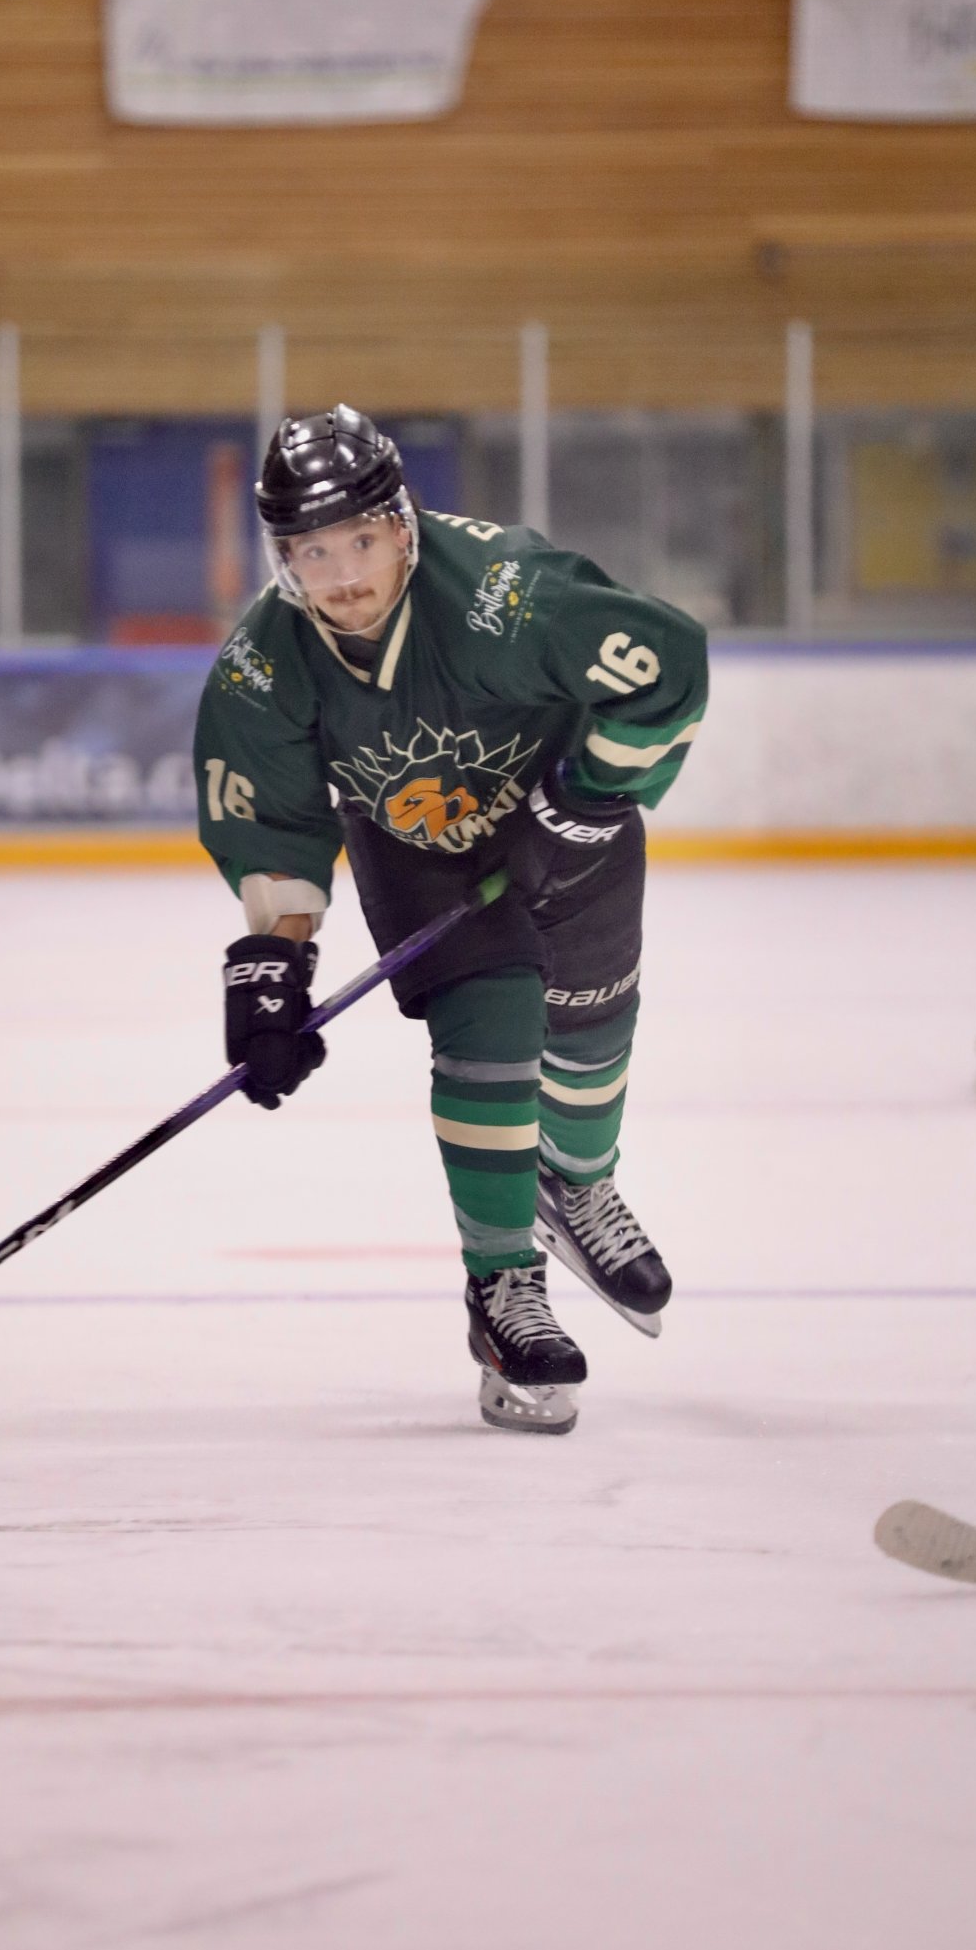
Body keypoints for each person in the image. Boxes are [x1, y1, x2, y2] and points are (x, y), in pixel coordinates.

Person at [194, 406, 709, 1437]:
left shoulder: (503, 594)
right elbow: (275, 824)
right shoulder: (265, 661)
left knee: (594, 1023)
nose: (341, 575)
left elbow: (669, 664)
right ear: (282, 556)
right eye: (311, 551)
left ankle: (577, 1183)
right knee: (494, 1025)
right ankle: (502, 1285)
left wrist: (588, 798)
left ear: (402, 525)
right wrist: (270, 972)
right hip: (414, 845)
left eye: (358, 541)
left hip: (568, 818)